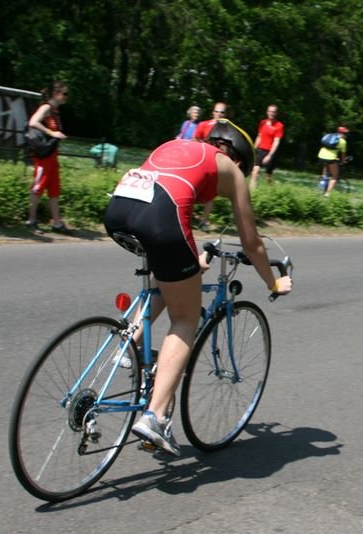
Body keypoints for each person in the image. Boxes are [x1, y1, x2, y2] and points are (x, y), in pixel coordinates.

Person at [104, 120, 292, 455]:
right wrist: (273, 281)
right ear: (237, 159)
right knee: (186, 319)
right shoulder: (230, 171)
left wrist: (193, 260)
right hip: (162, 218)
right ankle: (155, 417)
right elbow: (252, 243)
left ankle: (127, 348)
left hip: (119, 209)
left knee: (171, 279)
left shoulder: (176, 143)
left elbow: (167, 193)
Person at [26, 81, 70, 234]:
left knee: (54, 190)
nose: (66, 97)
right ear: (56, 94)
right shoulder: (46, 108)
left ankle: (57, 223)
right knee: (37, 188)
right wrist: (52, 133)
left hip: (52, 157)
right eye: (64, 93)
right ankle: (31, 221)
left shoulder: (55, 111)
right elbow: (33, 122)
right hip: (44, 158)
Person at [193, 102, 228, 231]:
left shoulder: (226, 129)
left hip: (214, 163)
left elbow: (225, 148)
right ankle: (186, 217)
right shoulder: (203, 125)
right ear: (213, 112)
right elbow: (195, 140)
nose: (219, 114)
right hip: (200, 160)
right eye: (217, 111)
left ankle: (204, 221)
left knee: (210, 193)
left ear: (225, 115)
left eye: (222, 112)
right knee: (193, 188)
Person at [249, 104, 284, 191]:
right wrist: (254, 148)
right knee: (255, 171)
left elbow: (276, 142)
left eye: (273, 112)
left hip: (271, 152)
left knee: (268, 176)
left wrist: (270, 155)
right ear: (267, 112)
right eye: (270, 111)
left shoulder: (279, 126)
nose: (271, 113)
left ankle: (272, 192)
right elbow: (259, 136)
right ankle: (252, 193)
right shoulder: (263, 122)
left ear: (276, 113)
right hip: (260, 150)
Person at [319, 126, 349, 197]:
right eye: (346, 134)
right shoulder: (343, 142)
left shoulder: (330, 136)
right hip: (330, 158)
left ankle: (322, 181)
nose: (346, 136)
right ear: (343, 134)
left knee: (326, 166)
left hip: (321, 155)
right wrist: (343, 161)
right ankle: (327, 194)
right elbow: (343, 155)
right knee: (335, 177)